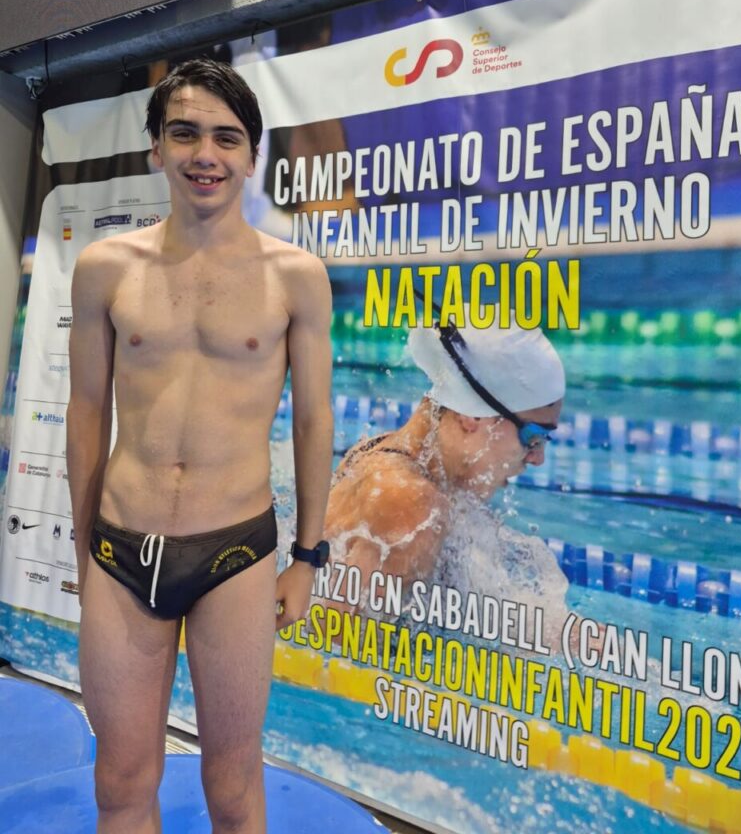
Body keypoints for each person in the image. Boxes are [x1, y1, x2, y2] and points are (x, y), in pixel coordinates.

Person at [66, 59, 333, 834]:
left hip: (234, 557)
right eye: (183, 133)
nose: (204, 154)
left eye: (226, 136)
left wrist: (309, 559)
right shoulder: (105, 270)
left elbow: (315, 421)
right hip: (121, 552)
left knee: (233, 782)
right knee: (119, 779)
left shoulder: (296, 277)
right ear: (156, 149)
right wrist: (85, 550)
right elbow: (86, 412)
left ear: (252, 155)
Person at [324, 310, 569, 647]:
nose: (538, 458)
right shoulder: (410, 501)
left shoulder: (382, 453)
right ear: (472, 416)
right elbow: (332, 646)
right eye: (533, 437)